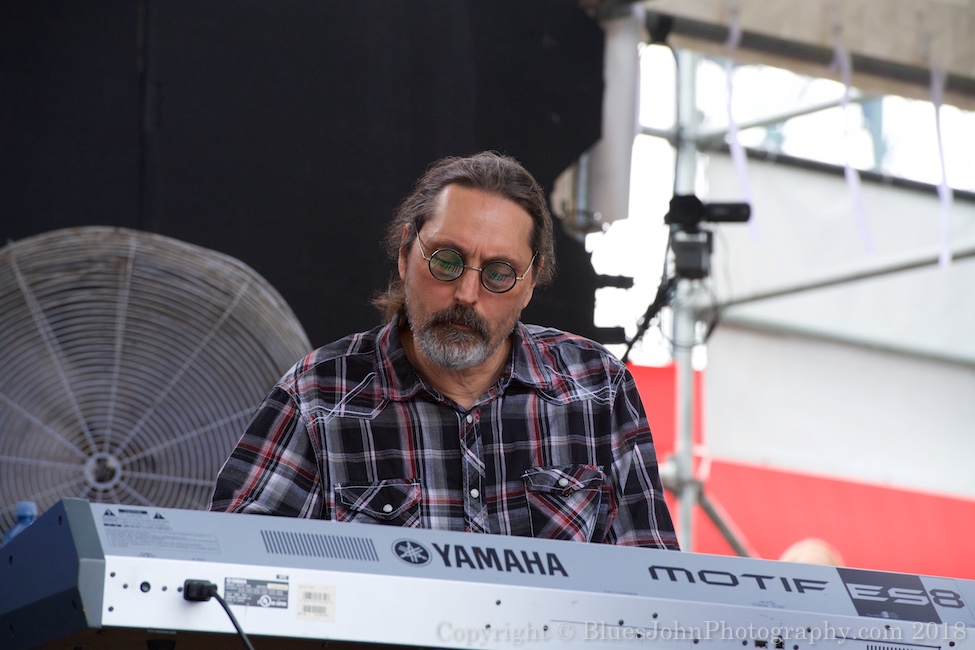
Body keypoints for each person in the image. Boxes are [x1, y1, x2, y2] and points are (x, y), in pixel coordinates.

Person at [209, 151, 679, 549]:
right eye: (446, 261)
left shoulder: (597, 389)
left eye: (498, 273)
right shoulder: (318, 397)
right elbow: (235, 573)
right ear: (404, 254)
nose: (466, 295)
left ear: (531, 283)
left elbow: (649, 588)